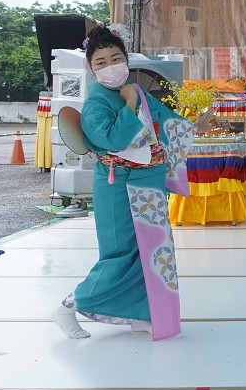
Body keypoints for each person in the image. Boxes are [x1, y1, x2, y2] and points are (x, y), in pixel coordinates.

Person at [50, 25, 194, 341]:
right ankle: (69, 305)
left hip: (148, 180)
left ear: (126, 59)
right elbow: (113, 138)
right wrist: (129, 104)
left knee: (153, 251)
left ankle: (141, 313)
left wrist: (191, 126)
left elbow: (167, 123)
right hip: (119, 183)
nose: (110, 66)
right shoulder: (97, 102)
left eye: (116, 58)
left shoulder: (136, 91)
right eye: (101, 62)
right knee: (120, 253)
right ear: (91, 68)